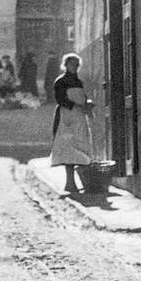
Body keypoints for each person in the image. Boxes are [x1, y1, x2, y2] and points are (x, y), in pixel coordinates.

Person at [50, 53, 94, 193]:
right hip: (66, 117)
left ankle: (77, 182)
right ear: (66, 65)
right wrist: (76, 105)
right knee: (68, 148)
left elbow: (82, 97)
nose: (74, 67)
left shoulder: (79, 82)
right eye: (71, 64)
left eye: (76, 64)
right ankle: (70, 183)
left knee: (80, 147)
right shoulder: (60, 82)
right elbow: (60, 99)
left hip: (79, 118)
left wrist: (86, 104)